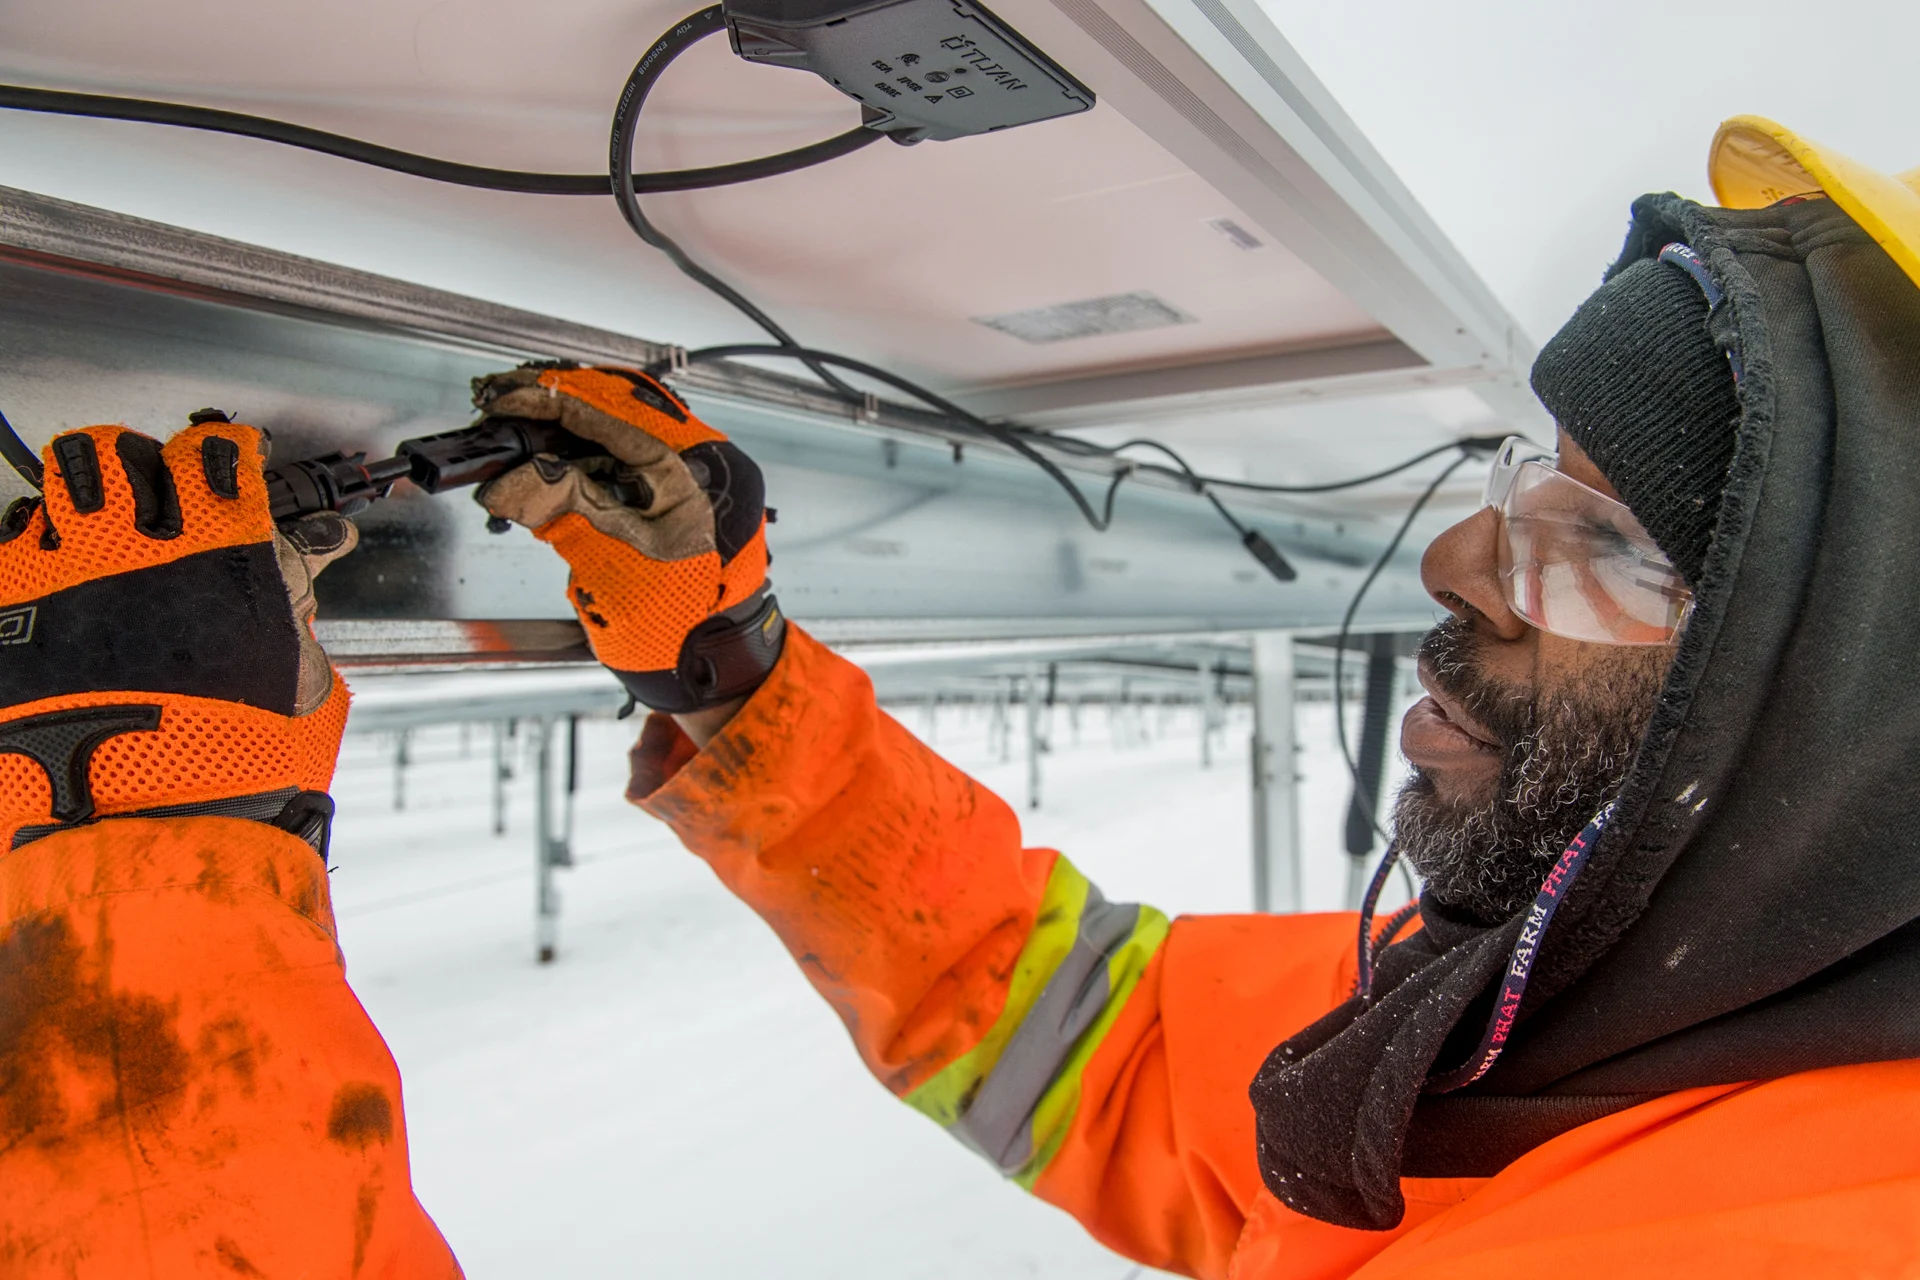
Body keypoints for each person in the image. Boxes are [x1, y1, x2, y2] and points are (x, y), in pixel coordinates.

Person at [3, 116, 1918, 1277]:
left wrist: (140, 915)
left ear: (1848, 717)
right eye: (1522, 491)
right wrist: (741, 686)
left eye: (1616, 544)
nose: (1457, 567)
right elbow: (1102, 1038)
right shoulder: (1582, 1029)